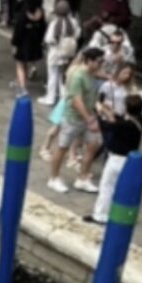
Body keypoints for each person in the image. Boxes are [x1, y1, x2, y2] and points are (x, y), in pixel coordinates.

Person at [47, 48, 106, 195]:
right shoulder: (78, 76)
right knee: (62, 148)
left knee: (93, 146)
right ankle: (54, 178)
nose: (101, 64)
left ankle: (83, 178)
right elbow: (76, 101)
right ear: (89, 60)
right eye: (99, 61)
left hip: (89, 117)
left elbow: (100, 75)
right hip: (73, 118)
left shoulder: (91, 72)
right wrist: (90, 119)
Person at [87, 95, 142, 225]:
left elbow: (108, 126)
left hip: (117, 159)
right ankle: (108, 212)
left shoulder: (125, 126)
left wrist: (98, 112)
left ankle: (100, 215)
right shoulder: (139, 121)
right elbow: (118, 120)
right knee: (115, 187)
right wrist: (108, 111)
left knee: (106, 186)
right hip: (129, 160)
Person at [41, 0, 80, 106]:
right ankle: (63, 98)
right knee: (63, 76)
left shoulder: (55, 23)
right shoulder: (74, 22)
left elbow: (48, 39)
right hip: (68, 53)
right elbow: (77, 35)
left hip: (55, 52)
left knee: (53, 75)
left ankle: (50, 98)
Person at [10, 0, 47, 98]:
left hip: (23, 42)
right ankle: (20, 82)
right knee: (25, 63)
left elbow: (18, 30)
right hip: (34, 42)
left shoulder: (24, 12)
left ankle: (22, 88)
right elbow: (43, 29)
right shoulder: (41, 12)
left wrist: (14, 43)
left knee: (20, 64)